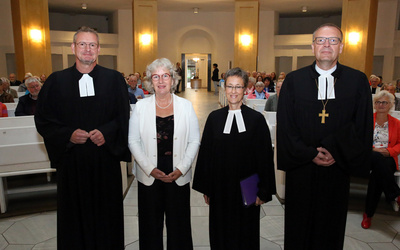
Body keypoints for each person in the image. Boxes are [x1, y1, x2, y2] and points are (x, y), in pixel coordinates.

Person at [277, 23, 373, 250]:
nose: (326, 45)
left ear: (341, 46)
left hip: (337, 167)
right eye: (321, 40)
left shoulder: (357, 81)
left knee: (331, 225)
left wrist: (335, 151)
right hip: (301, 167)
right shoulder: (293, 80)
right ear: (312, 47)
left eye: (333, 40)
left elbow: (361, 125)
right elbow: (286, 126)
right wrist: (309, 153)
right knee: (298, 225)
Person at [34, 26, 130, 250]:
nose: (87, 49)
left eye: (92, 45)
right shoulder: (56, 82)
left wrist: (105, 133)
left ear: (99, 49)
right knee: (74, 217)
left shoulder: (114, 79)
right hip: (72, 163)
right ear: (73, 47)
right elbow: (43, 120)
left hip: (104, 162)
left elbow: (123, 117)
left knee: (107, 216)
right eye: (82, 44)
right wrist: (68, 134)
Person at [192, 67, 276, 250]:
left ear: (246, 89)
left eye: (238, 87)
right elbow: (206, 154)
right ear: (224, 88)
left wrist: (263, 190)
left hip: (248, 185)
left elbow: (265, 157)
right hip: (220, 186)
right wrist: (207, 187)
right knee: (220, 230)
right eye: (230, 86)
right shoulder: (214, 118)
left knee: (246, 231)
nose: (233, 91)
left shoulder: (256, 119)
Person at [128, 58, 200, 250]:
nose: (161, 81)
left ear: (173, 79)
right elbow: (133, 141)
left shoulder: (185, 106)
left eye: (165, 76)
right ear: (151, 82)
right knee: (150, 227)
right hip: (149, 175)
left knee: (179, 227)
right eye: (156, 76)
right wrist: (150, 169)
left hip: (178, 174)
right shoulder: (141, 107)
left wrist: (182, 168)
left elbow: (194, 140)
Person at [361, 90, 400, 229]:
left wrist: (389, 151)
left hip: (388, 157)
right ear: (374, 104)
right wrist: (373, 149)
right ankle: (395, 194)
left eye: (385, 102)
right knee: (377, 159)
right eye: (378, 102)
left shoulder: (397, 123)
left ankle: (368, 214)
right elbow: (360, 141)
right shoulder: (366, 121)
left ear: (390, 105)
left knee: (378, 174)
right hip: (368, 156)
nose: (381, 105)